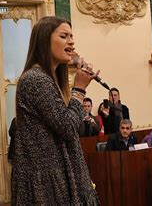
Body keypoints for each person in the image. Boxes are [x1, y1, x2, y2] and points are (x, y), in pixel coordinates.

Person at [12, 16, 100, 205]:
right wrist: (79, 89)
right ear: (45, 40)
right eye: (64, 36)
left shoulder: (47, 79)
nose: (71, 41)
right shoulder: (35, 80)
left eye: (71, 36)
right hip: (47, 182)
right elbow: (67, 126)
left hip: (57, 175)